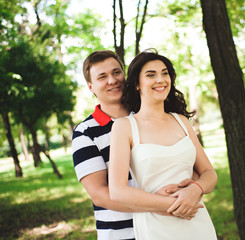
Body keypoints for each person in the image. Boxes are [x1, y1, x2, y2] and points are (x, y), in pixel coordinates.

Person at [72, 50, 202, 240]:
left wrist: (189, 194)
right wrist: (163, 205)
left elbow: (190, 166)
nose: (112, 80)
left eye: (116, 72)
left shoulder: (153, 116)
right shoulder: (85, 132)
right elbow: (99, 194)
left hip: (171, 227)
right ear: (90, 86)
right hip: (124, 234)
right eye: (102, 77)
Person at [108, 49, 218, 240]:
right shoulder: (124, 127)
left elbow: (209, 173)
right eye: (151, 75)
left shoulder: (182, 121)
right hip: (156, 226)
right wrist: (169, 205)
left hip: (196, 219)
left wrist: (195, 190)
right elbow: (117, 191)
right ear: (136, 84)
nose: (160, 79)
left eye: (165, 73)